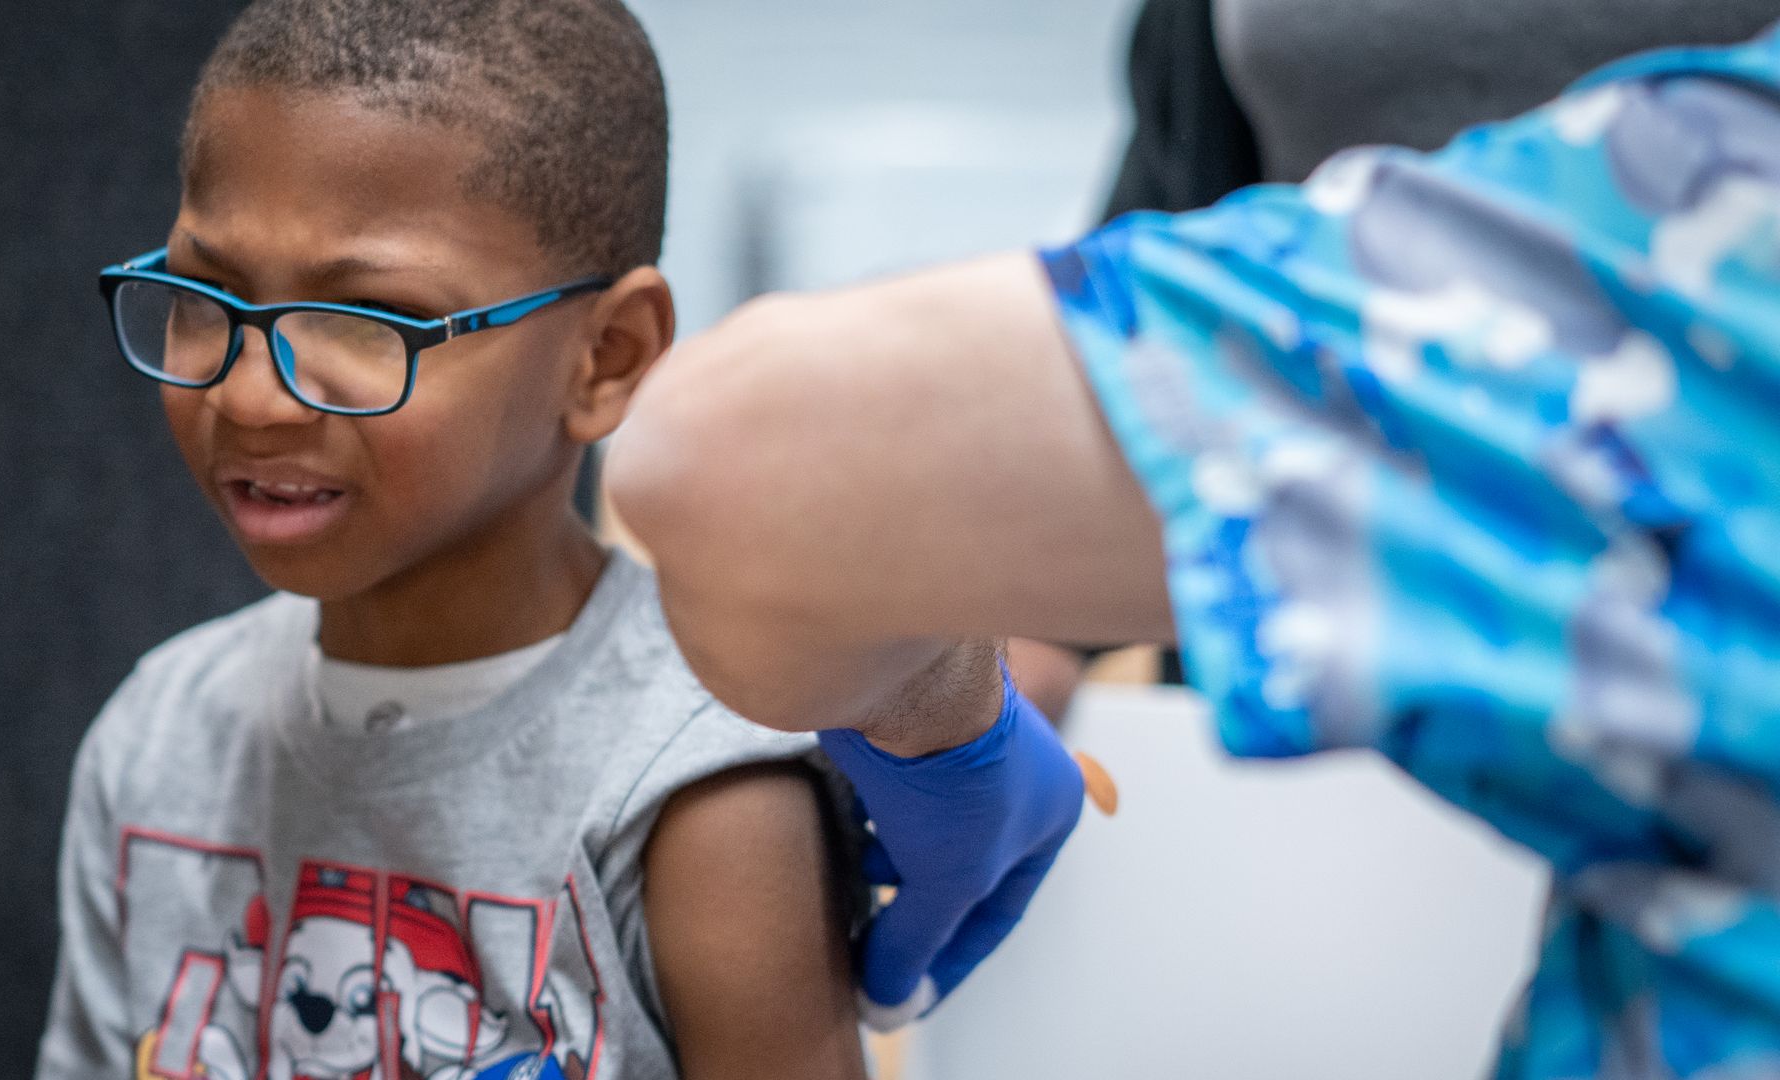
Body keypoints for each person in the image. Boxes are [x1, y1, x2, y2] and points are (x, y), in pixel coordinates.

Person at [608, 23, 1780, 1078]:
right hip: (1242, 662)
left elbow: (744, 461)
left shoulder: (1715, 191)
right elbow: (1180, 179)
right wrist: (1022, 644)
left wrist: (937, 691)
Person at [34, 3, 868, 1079]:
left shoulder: (693, 789)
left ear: (606, 358)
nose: (250, 397)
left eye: (371, 319)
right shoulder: (158, 737)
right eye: (210, 295)